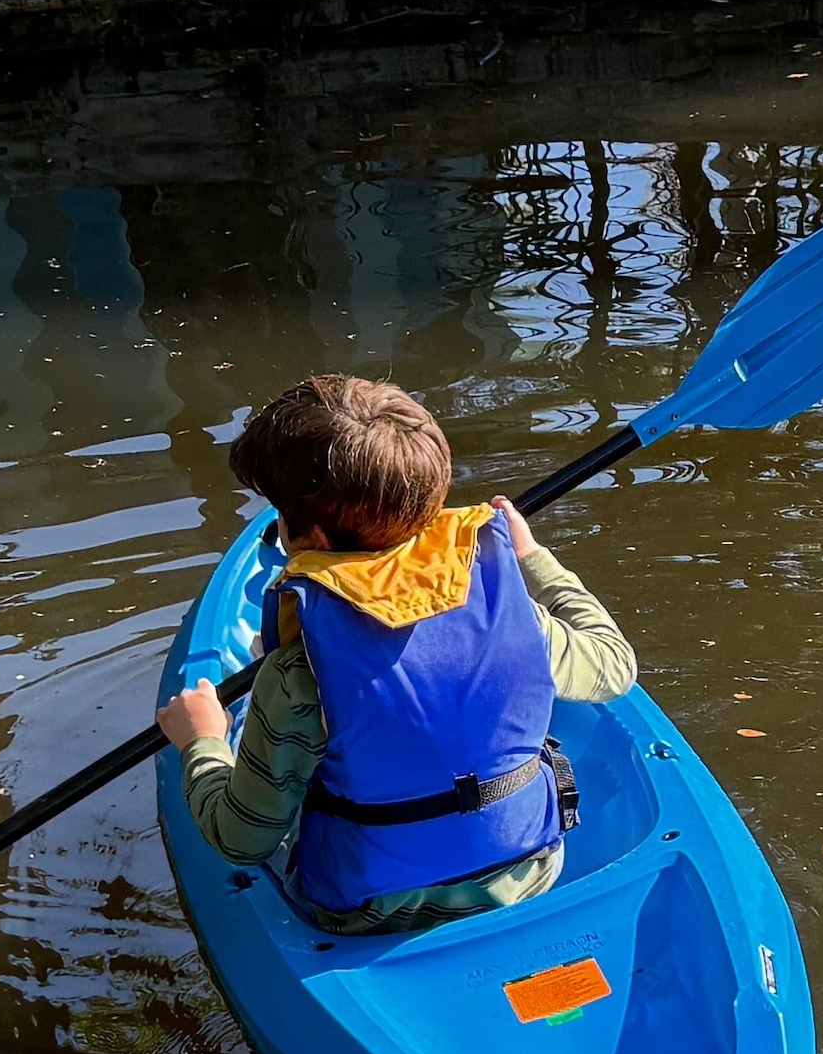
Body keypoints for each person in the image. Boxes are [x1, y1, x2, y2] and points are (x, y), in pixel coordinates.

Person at [157, 374, 640, 940]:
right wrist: (534, 559)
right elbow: (613, 665)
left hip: (365, 909)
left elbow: (242, 839)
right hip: (530, 873)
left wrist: (202, 740)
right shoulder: (521, 620)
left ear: (305, 536)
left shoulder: (297, 676)